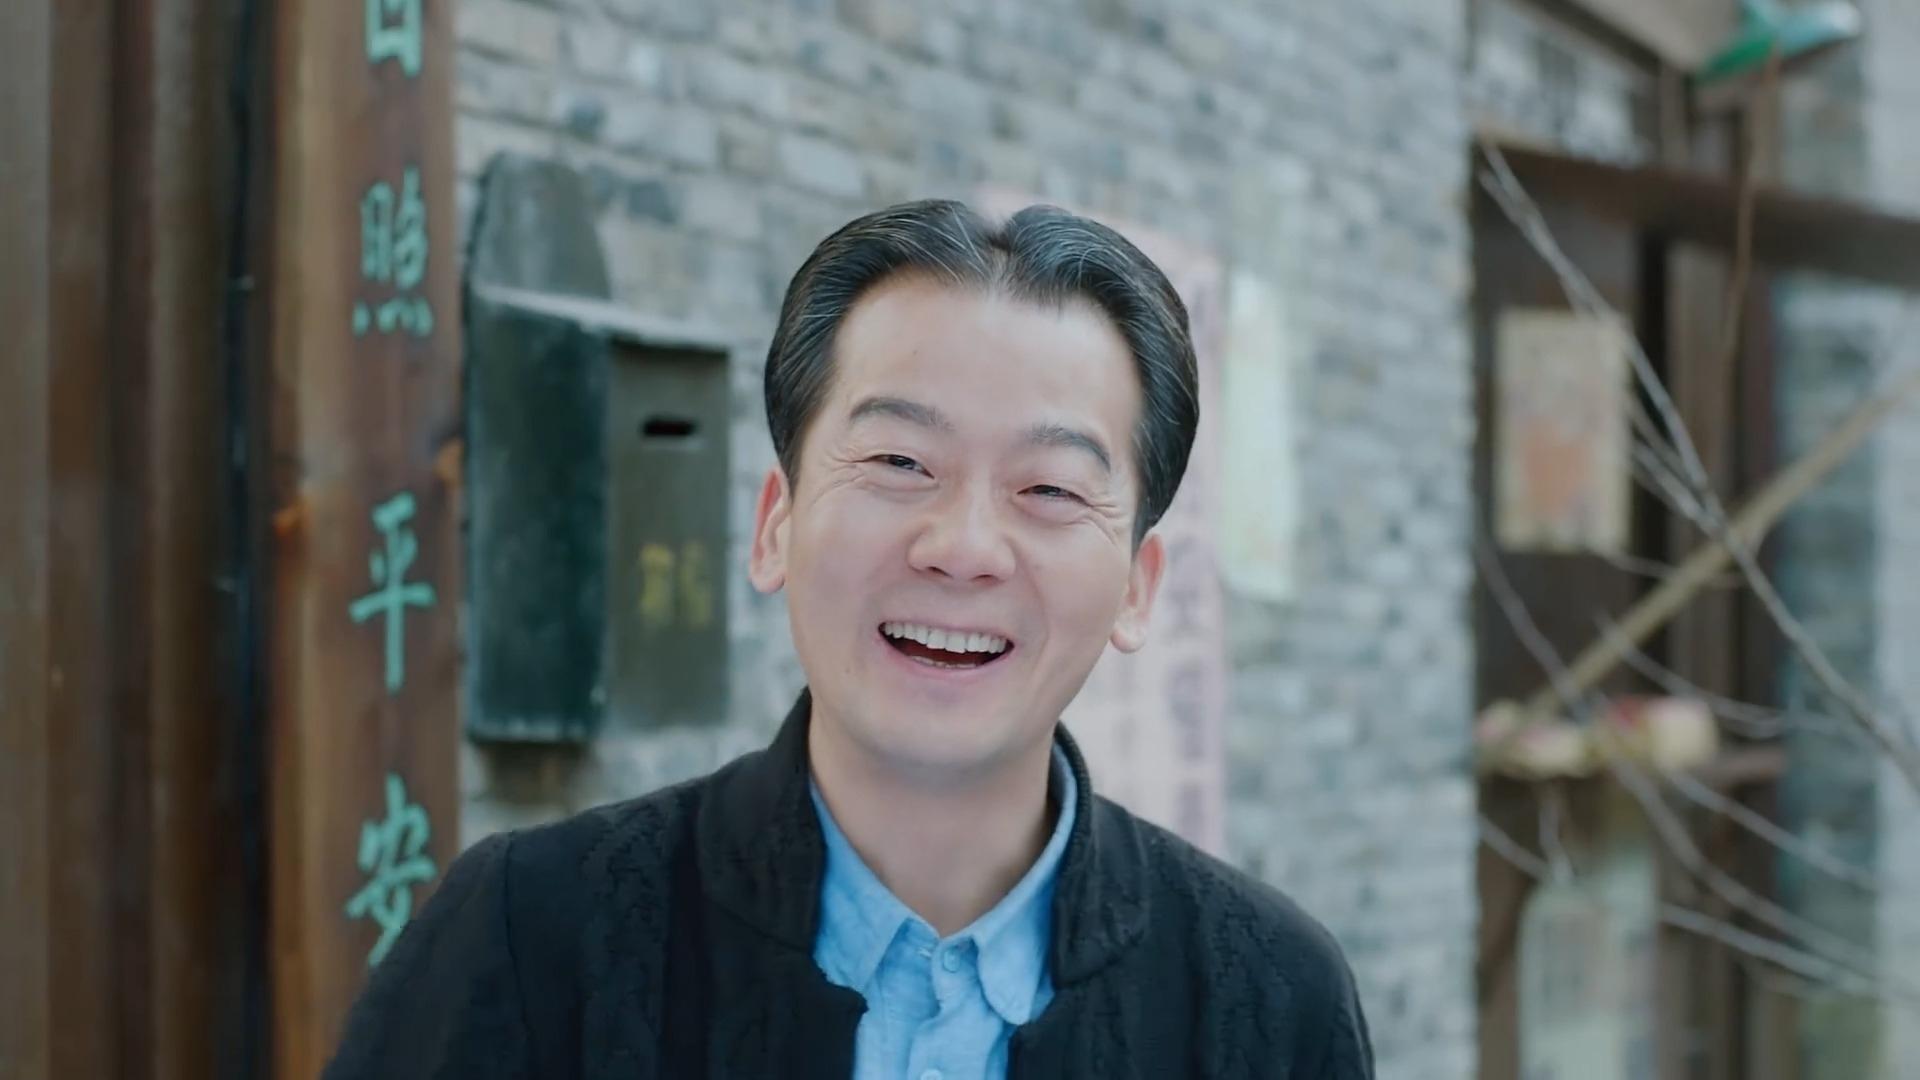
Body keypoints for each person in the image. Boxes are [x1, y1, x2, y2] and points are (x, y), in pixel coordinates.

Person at [325, 199, 1374, 1079]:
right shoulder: (528, 935)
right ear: (774, 525)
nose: (963, 548)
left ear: (1139, 588)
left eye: (1050, 489)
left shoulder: (1270, 1000)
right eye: (899, 463)